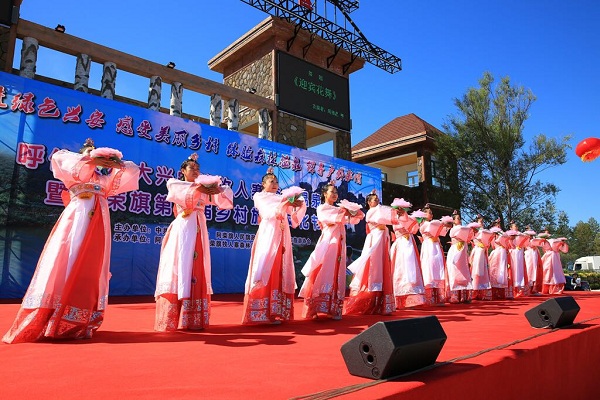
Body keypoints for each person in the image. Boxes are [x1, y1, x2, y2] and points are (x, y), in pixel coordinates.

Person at [3, 138, 140, 343]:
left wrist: (115, 163)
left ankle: (79, 319)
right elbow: (59, 158)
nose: (93, 155)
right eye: (88, 152)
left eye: (96, 153)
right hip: (77, 219)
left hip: (99, 223)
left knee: (92, 266)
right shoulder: (76, 172)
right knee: (67, 258)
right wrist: (91, 159)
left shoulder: (104, 180)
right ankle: (51, 315)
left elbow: (132, 170)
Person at [154, 153, 233, 331]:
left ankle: (193, 318)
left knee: (197, 266)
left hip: (199, 227)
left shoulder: (203, 188)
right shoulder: (176, 184)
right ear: (183, 170)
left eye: (198, 168)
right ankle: (174, 316)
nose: (196, 171)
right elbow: (181, 192)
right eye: (192, 168)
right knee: (180, 265)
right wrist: (201, 188)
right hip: (183, 228)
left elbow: (226, 195)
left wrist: (216, 190)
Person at [242, 170, 307, 324]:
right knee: (267, 266)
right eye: (271, 181)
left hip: (283, 234)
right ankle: (262, 311)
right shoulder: (259, 196)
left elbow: (293, 213)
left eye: (276, 182)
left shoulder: (281, 197)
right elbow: (269, 212)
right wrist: (286, 204)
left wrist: (297, 204)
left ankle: (276, 310)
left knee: (280, 268)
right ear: (263, 184)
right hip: (269, 233)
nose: (274, 184)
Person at [298, 183, 364, 320]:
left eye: (336, 192)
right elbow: (335, 217)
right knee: (322, 271)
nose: (334, 194)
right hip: (328, 243)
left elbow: (357, 217)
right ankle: (314, 307)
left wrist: (352, 210)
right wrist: (346, 211)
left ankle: (332, 309)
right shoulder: (322, 208)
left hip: (339, 244)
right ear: (324, 194)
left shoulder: (338, 209)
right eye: (331, 192)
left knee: (336, 273)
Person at [344, 191, 398, 315]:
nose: (377, 201)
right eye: (374, 199)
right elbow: (384, 216)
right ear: (368, 202)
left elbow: (387, 217)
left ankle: (379, 303)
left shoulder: (379, 210)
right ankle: (370, 300)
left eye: (377, 199)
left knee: (382, 267)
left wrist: (396, 212)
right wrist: (394, 212)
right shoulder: (372, 212)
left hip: (381, 239)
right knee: (374, 268)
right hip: (375, 240)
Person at [389, 199, 425, 308]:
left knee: (410, 269)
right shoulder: (393, 218)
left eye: (402, 209)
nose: (399, 211)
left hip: (408, 243)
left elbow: (413, 228)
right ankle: (398, 298)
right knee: (399, 268)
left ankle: (411, 298)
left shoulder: (408, 218)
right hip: (399, 244)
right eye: (398, 209)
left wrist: (405, 214)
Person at [419, 205, 451, 306]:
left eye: (432, 213)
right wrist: (442, 223)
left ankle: (438, 297)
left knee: (437, 268)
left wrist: (445, 226)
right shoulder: (424, 224)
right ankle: (429, 297)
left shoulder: (431, 223)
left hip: (436, 247)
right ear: (424, 214)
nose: (431, 214)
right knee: (429, 269)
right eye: (429, 212)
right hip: (429, 246)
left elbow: (442, 232)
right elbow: (431, 226)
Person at [445, 211, 475, 303]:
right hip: (455, 250)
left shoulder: (462, 228)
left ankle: (464, 296)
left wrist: (471, 230)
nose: (460, 220)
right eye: (458, 218)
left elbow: (469, 237)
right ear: (453, 220)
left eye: (460, 218)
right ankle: (455, 296)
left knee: (464, 272)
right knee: (455, 271)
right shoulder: (453, 229)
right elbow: (457, 233)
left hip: (462, 251)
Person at [469, 223, 495, 300]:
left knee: (481, 270)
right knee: (474, 270)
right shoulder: (472, 234)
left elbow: (487, 241)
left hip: (480, 252)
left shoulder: (482, 233)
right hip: (475, 252)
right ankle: (474, 291)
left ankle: (482, 292)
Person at [507, 222, 530, 298]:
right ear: (511, 227)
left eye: (517, 226)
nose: (516, 227)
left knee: (519, 270)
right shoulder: (508, 234)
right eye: (514, 226)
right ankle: (513, 289)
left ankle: (520, 288)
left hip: (519, 254)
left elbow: (526, 239)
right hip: (512, 253)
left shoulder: (520, 234)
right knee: (512, 270)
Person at [488, 226, 511, 300]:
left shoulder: (503, 235)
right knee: (494, 269)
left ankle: (500, 292)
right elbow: (491, 245)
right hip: (496, 253)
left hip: (502, 253)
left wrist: (500, 234)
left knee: (501, 270)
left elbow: (507, 241)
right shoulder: (493, 237)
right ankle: (494, 292)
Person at [524, 228, 544, 295]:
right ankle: (527, 289)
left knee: (535, 272)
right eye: (529, 235)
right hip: (529, 256)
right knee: (529, 270)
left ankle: (534, 289)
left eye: (531, 235)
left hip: (534, 256)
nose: (531, 236)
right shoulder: (525, 240)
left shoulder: (534, 241)